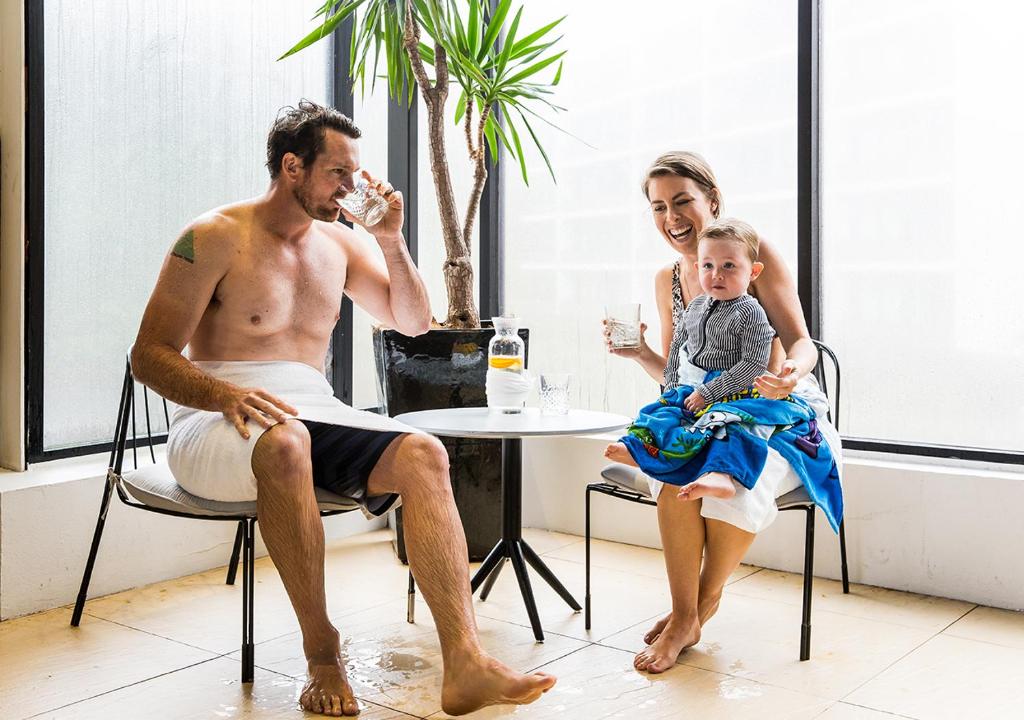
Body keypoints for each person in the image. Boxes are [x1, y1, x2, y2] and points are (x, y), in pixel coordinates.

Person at [131, 100, 555, 717]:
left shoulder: (339, 243)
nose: (351, 189)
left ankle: (466, 662)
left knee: (423, 453)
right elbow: (148, 356)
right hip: (216, 415)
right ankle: (323, 654)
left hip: (312, 409)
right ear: (292, 167)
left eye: (354, 174)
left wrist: (390, 240)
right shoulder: (213, 236)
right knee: (286, 442)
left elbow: (413, 322)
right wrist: (222, 394)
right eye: (338, 174)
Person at [603, 151, 843, 674]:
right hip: (706, 405)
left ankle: (696, 610)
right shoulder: (669, 280)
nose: (672, 217)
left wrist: (790, 374)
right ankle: (686, 612)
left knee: (739, 476)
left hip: (775, 406)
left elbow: (800, 342)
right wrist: (640, 353)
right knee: (675, 473)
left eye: (682, 201)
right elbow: (680, 376)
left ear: (711, 199)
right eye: (659, 207)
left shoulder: (750, 252)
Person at [605, 217, 776, 501]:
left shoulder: (751, 312)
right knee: (659, 413)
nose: (717, 274)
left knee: (733, 429)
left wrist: (709, 392)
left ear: (753, 271)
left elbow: (753, 366)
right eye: (708, 266)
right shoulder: (695, 306)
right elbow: (676, 351)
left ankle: (721, 476)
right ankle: (640, 450)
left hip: (736, 391)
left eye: (729, 266)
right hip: (691, 386)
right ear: (698, 268)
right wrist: (672, 389)